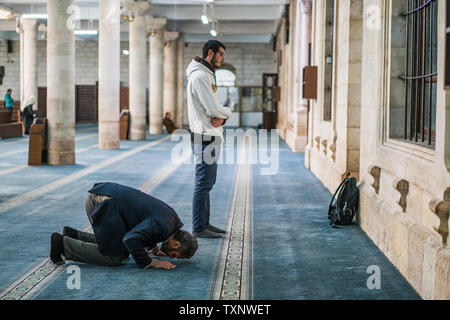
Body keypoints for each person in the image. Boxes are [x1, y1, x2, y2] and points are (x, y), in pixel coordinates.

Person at [50, 182, 198, 270]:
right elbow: (130, 239)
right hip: (103, 202)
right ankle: (62, 244)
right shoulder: (162, 227)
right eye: (174, 255)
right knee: (115, 257)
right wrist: (151, 262)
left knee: (119, 246)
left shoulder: (172, 222)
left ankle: (73, 235)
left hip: (107, 197)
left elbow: (146, 225)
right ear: (177, 243)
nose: (170, 256)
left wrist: (152, 247)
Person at [186, 40, 231, 238]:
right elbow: (213, 109)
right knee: (203, 183)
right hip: (205, 136)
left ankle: (204, 223)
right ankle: (198, 227)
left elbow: (214, 109)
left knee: (208, 183)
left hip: (209, 135)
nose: (223, 58)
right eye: (220, 54)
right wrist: (227, 113)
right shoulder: (201, 77)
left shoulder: (206, 74)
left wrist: (222, 117)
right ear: (210, 53)